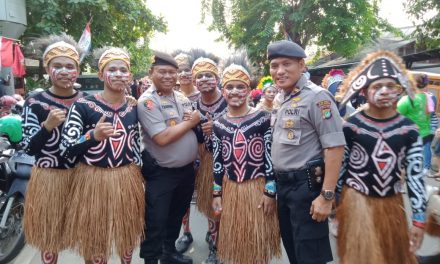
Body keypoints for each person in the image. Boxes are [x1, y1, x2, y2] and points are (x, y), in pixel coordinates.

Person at [335, 50, 426, 264]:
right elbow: (341, 169)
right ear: (365, 91)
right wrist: (336, 209)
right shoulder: (352, 126)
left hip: (392, 206)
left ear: (399, 90)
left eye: (391, 86)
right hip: (356, 204)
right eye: (377, 86)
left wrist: (419, 220)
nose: (384, 91)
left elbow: (415, 177)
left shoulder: (409, 129)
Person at [60, 47, 144, 264]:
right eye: (112, 69)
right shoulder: (83, 105)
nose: (118, 74)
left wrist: (139, 172)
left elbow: (136, 144)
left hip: (127, 179)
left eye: (123, 70)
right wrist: (92, 136)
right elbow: (66, 147)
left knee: (127, 237)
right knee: (96, 239)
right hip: (92, 180)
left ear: (130, 76)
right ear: (100, 74)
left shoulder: (134, 107)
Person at [268, 40, 346, 264]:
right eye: (274, 65)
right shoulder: (281, 97)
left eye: (287, 64)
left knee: (309, 256)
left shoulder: (318, 97)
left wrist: (326, 196)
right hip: (284, 187)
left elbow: (335, 147)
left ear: (302, 65)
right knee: (293, 250)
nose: (280, 71)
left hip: (307, 187)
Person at [22, 34, 87, 264]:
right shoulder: (34, 102)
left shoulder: (87, 102)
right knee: (50, 236)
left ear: (77, 70)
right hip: (48, 178)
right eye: (57, 66)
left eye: (70, 66)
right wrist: (47, 126)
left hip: (82, 178)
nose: (64, 71)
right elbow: (29, 148)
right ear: (47, 69)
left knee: (88, 234)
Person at [211, 59, 281, 264]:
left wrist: (270, 191)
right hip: (232, 190)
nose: (234, 91)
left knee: (257, 243)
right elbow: (218, 161)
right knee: (238, 244)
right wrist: (217, 193)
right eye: (229, 87)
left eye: (240, 87)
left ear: (249, 90)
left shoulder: (263, 118)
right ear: (223, 91)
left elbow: (270, 157)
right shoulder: (219, 124)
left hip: (257, 190)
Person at [138, 51, 200, 264]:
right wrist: (191, 123)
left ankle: (169, 253)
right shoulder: (147, 101)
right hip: (162, 173)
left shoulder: (181, 97)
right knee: (156, 219)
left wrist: (197, 123)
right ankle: (151, 259)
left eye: (172, 72)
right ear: (151, 73)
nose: (168, 76)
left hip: (185, 172)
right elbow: (162, 138)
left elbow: (190, 123)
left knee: (176, 215)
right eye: (162, 72)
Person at [398, 73, 434, 175]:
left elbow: (395, 117)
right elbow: (429, 116)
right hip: (424, 135)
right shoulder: (429, 98)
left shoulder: (406, 100)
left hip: (408, 137)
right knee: (414, 163)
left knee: (402, 164)